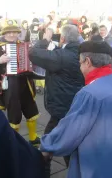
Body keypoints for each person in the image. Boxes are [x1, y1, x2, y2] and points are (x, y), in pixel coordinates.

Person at [40, 41, 112, 178]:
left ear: (88, 62)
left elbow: (70, 131)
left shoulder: (89, 94)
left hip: (98, 164)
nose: (79, 67)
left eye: (80, 63)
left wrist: (47, 146)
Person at [29, 25, 84, 177]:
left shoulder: (62, 56)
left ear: (63, 38)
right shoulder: (81, 53)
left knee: (48, 144)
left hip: (62, 108)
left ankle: (43, 172)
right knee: (68, 144)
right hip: (74, 105)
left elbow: (33, 53)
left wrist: (45, 39)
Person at [0, 20, 40, 146]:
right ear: (4, 34)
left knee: (31, 107)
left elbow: (32, 60)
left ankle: (33, 137)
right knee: (14, 110)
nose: (12, 35)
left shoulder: (24, 45)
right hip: (9, 83)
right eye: (9, 32)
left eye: (15, 32)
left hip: (25, 81)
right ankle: (15, 140)